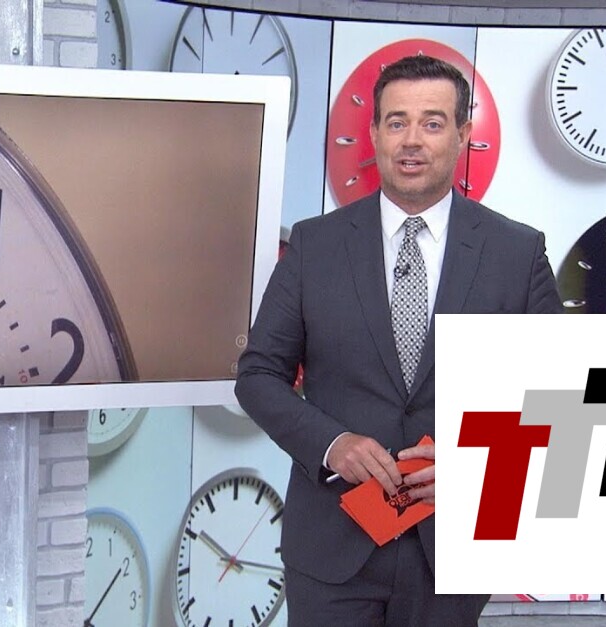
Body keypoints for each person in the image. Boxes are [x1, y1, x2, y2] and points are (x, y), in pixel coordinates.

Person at [234, 54, 563, 625]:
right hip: (332, 547)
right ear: (374, 133)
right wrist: (332, 443)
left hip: (452, 549)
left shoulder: (517, 252)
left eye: (432, 123)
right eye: (396, 122)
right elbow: (257, 376)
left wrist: (476, 464)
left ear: (462, 134)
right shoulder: (316, 246)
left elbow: (561, 393)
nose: (412, 140)